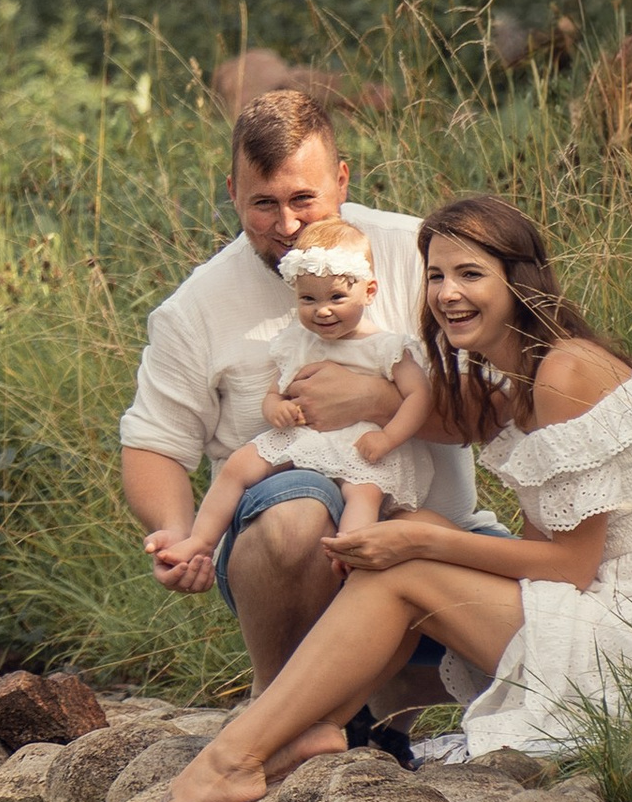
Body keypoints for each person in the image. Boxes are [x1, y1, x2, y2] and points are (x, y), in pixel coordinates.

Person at [119, 193, 632, 802]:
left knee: (405, 562)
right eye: (436, 276)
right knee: (411, 531)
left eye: (471, 274)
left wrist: (421, 546)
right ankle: (316, 727)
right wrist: (416, 528)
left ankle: (235, 757)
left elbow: (570, 568)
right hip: (610, 601)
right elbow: (545, 547)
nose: (447, 293)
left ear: (519, 281)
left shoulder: (565, 373)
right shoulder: (523, 378)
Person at [119, 91, 477, 732]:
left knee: (552, 632)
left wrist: (379, 402)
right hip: (284, 561)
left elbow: (501, 409)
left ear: (342, 180)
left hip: (427, 538)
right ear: (233, 193)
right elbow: (153, 445)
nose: (286, 226)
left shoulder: (422, 256)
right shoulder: (194, 308)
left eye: (303, 199)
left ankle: (381, 718)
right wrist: (178, 534)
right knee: (296, 510)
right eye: (263, 203)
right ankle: (280, 710)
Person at [159, 216, 437, 590]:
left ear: (369, 291)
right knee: (239, 465)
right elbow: (276, 390)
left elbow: (419, 396)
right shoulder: (297, 342)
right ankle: (201, 541)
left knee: (363, 493)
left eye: (337, 298)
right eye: (308, 299)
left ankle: (350, 554)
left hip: (361, 441)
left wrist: (389, 438)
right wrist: (275, 408)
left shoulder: (386, 346)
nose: (322, 310)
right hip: (305, 436)